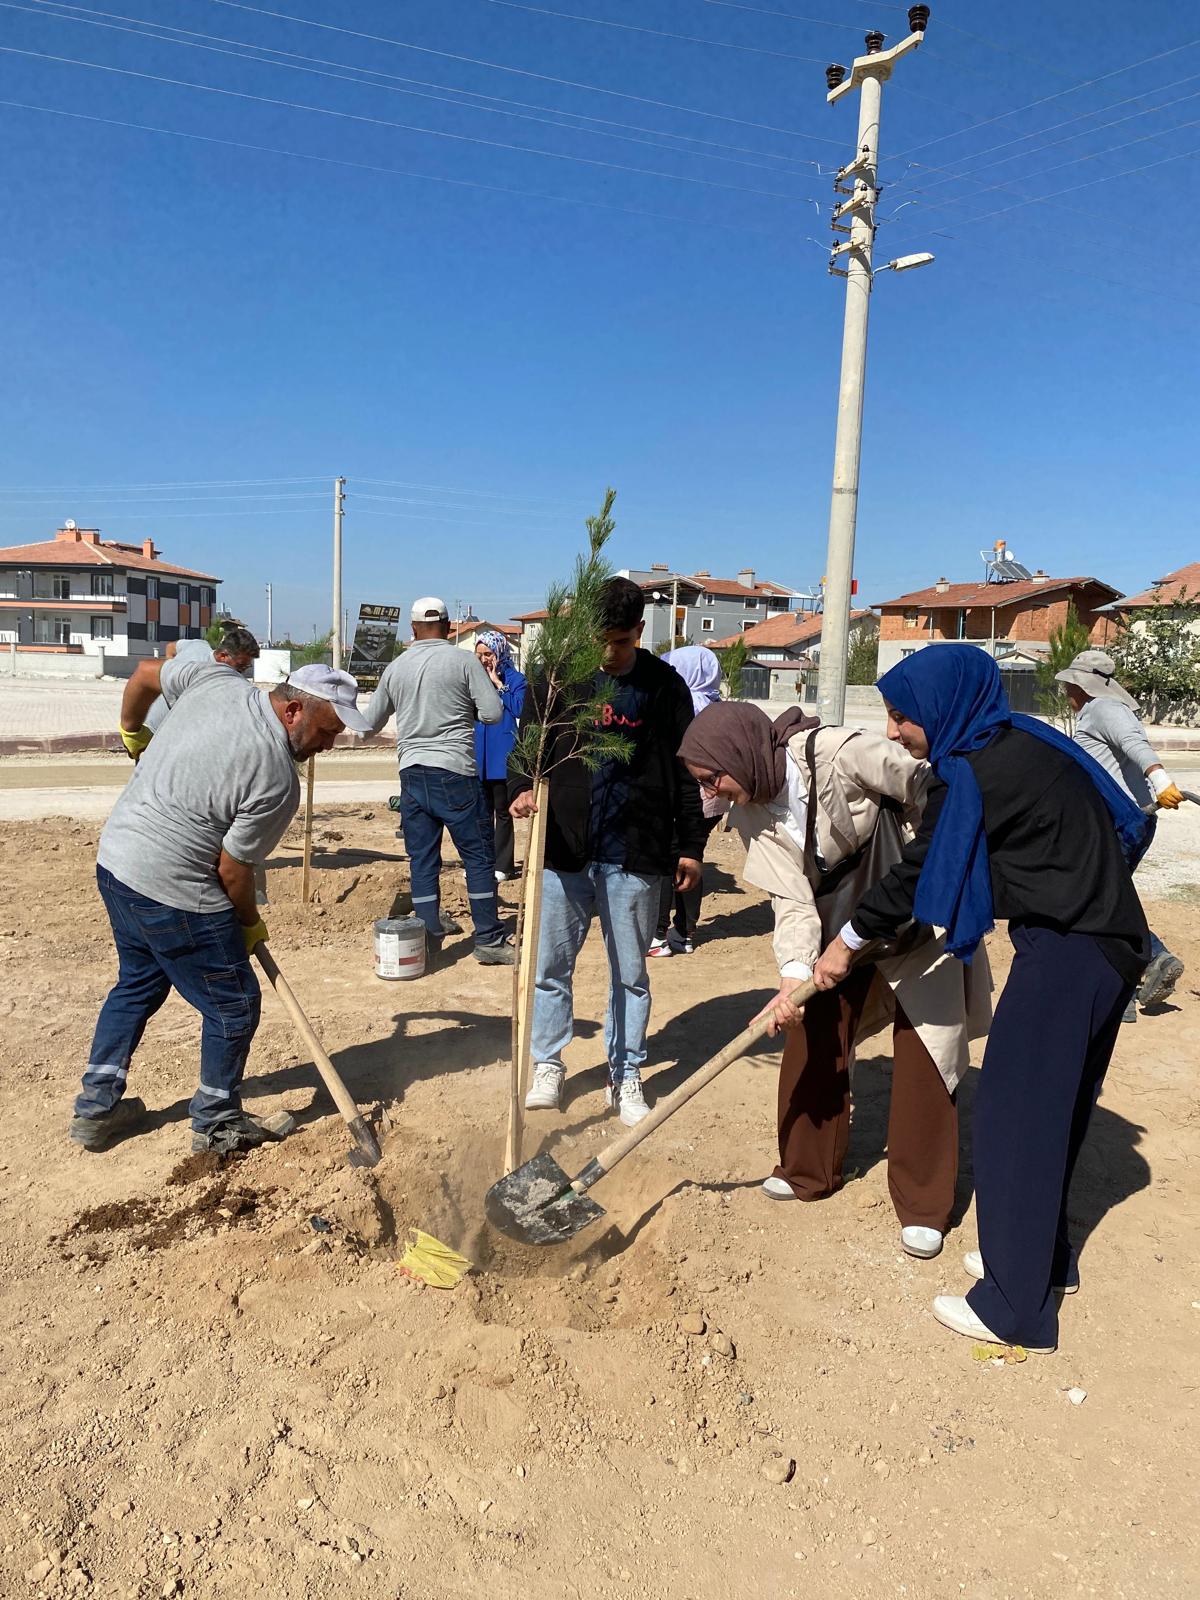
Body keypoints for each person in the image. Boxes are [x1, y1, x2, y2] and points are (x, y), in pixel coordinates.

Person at [813, 646, 1151, 1353]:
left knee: (1013, 1116)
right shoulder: (1021, 738)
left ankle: (1013, 1309)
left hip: (1069, 949)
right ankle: (1036, 1264)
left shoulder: (973, 773)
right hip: (1110, 942)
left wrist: (844, 942)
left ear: (941, 707)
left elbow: (917, 876)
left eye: (902, 715)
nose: (894, 729)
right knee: (1051, 1116)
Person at [679, 701, 991, 1259]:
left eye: (712, 778)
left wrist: (929, 872)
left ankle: (924, 1206)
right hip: (836, 926)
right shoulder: (749, 809)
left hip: (918, 912)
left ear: (738, 753)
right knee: (811, 1028)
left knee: (925, 1051)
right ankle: (808, 1170)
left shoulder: (840, 753)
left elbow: (934, 791)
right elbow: (793, 902)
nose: (710, 794)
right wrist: (793, 977)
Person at [70, 662, 371, 1155]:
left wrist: (131, 730)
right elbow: (232, 871)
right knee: (233, 1002)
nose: (329, 746)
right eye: (327, 731)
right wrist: (249, 925)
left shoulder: (216, 681)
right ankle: (215, 1122)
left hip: (118, 862)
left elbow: (146, 675)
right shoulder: (277, 776)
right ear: (294, 709)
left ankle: (97, 1108)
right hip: (173, 888)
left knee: (138, 983)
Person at [509, 578, 707, 1127]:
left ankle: (626, 1071)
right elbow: (529, 748)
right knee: (550, 966)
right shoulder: (558, 683)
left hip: (636, 853)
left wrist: (690, 846)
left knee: (630, 974)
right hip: (564, 850)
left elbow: (686, 774)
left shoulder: (665, 688)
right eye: (599, 640)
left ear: (639, 632)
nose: (607, 653)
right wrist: (522, 786)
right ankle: (548, 1063)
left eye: (619, 642)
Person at [365, 598, 515, 966]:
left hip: (412, 774)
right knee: (478, 857)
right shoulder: (463, 661)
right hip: (456, 773)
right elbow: (493, 713)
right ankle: (489, 940)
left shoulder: (396, 668)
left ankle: (427, 934)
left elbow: (369, 723)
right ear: (449, 628)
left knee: (422, 858)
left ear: (413, 629)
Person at [1054, 649, 1185, 1012]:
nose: (1068, 693)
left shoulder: (1105, 709)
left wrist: (1160, 778)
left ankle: (1147, 962)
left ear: (1084, 685)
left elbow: (1135, 745)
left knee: (1098, 900)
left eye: (1071, 686)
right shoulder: (1100, 712)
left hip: (1118, 819)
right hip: (1126, 818)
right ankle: (1129, 980)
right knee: (1108, 898)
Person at [648, 645, 725, 957]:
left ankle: (656, 936)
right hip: (713, 801)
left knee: (668, 860)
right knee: (694, 858)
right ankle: (685, 931)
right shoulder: (717, 707)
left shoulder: (679, 705)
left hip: (682, 798)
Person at [122, 627, 261, 751]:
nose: (242, 672)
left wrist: (169, 669)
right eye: (241, 666)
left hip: (146, 724)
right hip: (154, 736)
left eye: (246, 668)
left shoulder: (198, 645)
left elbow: (171, 647)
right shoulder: (206, 679)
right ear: (222, 656)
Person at [473, 629, 527, 883]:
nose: (484, 659)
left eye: (488, 653)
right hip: (478, 756)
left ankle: (504, 866)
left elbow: (519, 708)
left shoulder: (515, 679)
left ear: (500, 653)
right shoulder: (472, 679)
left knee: (502, 811)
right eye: (479, 654)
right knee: (481, 813)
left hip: (502, 756)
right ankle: (483, 864)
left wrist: (498, 684)